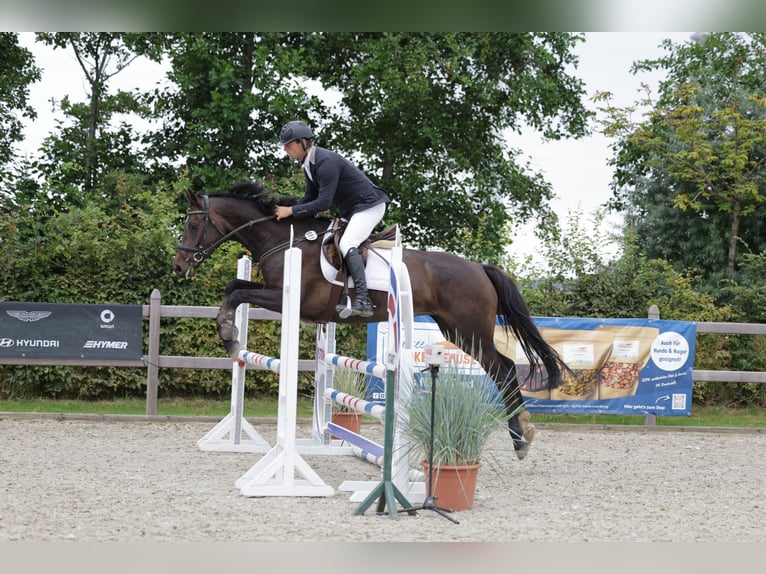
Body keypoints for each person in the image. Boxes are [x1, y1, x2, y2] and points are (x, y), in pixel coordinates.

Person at [275, 120, 390, 318]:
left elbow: (323, 204)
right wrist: (289, 216)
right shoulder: (309, 165)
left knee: (347, 243)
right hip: (353, 210)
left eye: (289, 144)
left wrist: (291, 211)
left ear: (303, 142)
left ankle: (363, 300)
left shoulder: (325, 162)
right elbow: (309, 199)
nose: (286, 149)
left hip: (369, 205)